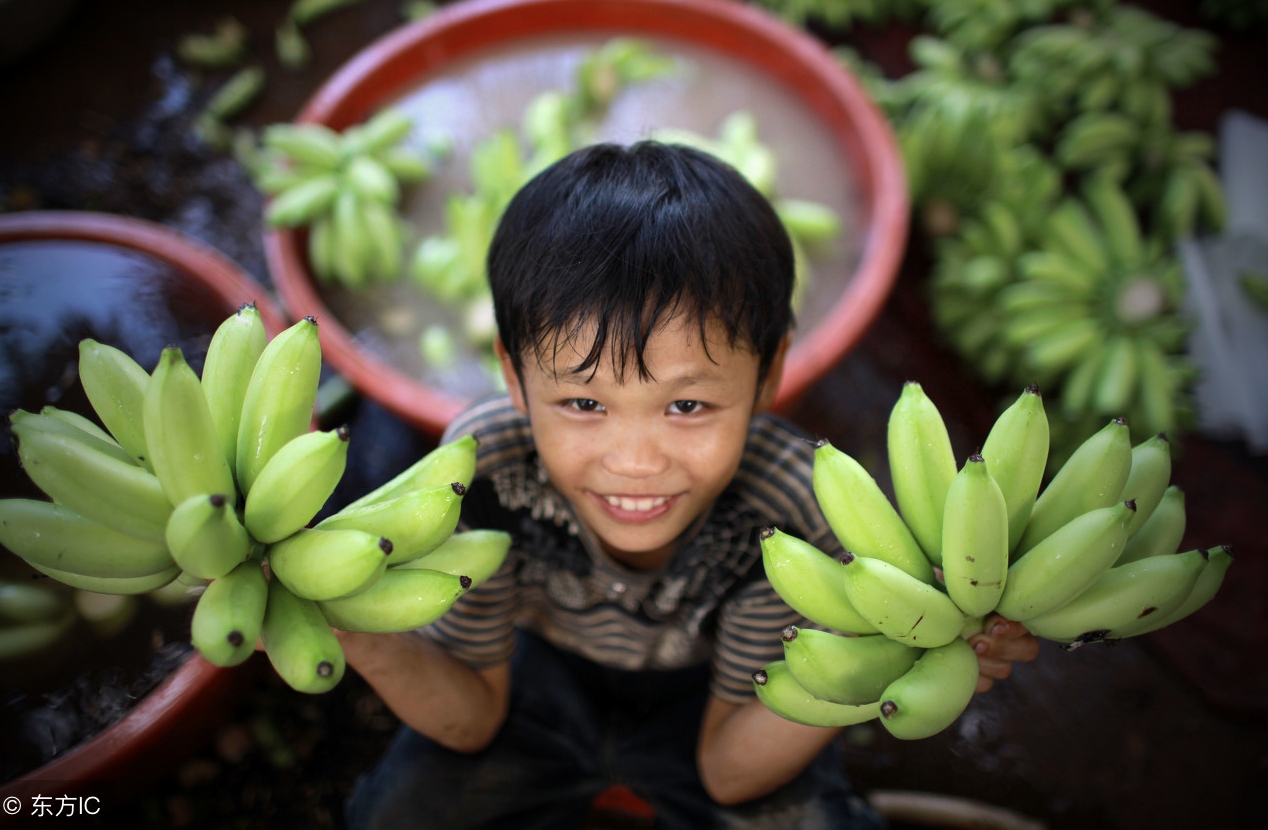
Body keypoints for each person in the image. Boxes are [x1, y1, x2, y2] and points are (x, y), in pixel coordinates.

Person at [340, 140, 1038, 829]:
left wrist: (897, 652)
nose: (636, 462)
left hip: (717, 694)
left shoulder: (789, 516)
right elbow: (470, 720)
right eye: (583, 402)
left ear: (768, 374)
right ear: (513, 375)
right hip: (537, 673)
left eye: (687, 404)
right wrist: (346, 624)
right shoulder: (486, 471)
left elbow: (728, 774)